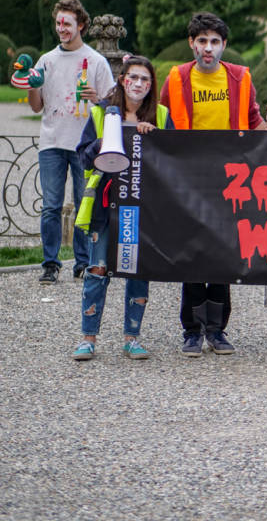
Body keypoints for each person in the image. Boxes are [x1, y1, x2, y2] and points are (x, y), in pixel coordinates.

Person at [159, 12, 267, 357]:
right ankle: (191, 331)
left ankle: (218, 330)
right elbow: (160, 119)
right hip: (188, 180)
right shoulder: (175, 79)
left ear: (224, 46)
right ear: (192, 43)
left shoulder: (240, 78)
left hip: (230, 179)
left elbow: (253, 121)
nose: (208, 49)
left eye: (215, 42)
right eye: (202, 41)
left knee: (222, 255)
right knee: (192, 255)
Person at [72, 55, 172, 361]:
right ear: (122, 79)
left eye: (145, 79)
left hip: (143, 206)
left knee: (137, 269)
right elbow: (83, 157)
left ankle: (132, 337)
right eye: (133, 77)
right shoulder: (102, 111)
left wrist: (154, 137)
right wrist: (103, 142)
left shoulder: (162, 115)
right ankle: (88, 338)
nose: (138, 84)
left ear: (151, 85)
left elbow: (173, 159)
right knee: (97, 268)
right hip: (105, 205)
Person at [21, 0, 114, 284]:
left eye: (67, 23)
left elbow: (113, 104)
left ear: (81, 25)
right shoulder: (46, 61)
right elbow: (36, 106)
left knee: (83, 203)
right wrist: (32, 86)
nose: (61, 28)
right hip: (51, 141)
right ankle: (50, 263)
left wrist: (96, 99)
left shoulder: (96, 62)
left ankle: (82, 262)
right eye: (58, 23)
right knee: (51, 205)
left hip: (83, 144)